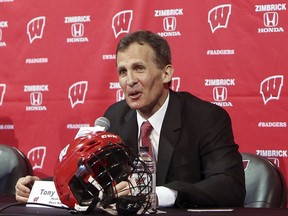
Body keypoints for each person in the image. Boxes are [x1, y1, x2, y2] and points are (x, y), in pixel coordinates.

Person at [15, 30, 246, 208]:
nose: (130, 81)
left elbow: (229, 185)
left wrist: (159, 195)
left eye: (139, 69)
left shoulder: (206, 118)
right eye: (123, 72)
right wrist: (41, 187)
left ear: (166, 73)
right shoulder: (114, 117)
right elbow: (87, 174)